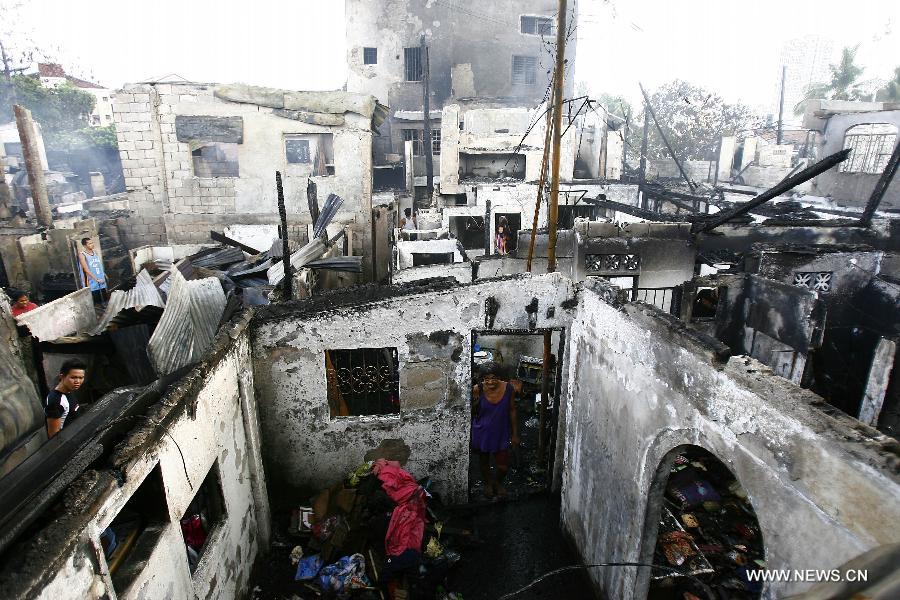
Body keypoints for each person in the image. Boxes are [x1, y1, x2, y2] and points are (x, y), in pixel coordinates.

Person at [471, 361, 520, 499]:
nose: (491, 382)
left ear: (499, 377)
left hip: (501, 432)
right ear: (482, 379)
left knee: (503, 466)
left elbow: (512, 410)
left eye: (494, 378)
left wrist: (515, 434)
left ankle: (497, 482)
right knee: (484, 462)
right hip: (482, 432)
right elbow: (471, 410)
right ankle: (488, 483)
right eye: (486, 379)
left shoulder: (509, 389)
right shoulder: (477, 389)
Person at [45, 359, 86, 438]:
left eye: (81, 378)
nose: (78, 381)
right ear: (62, 377)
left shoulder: (69, 390)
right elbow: (54, 438)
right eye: (74, 377)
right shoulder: (56, 400)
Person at [77, 237, 107, 304]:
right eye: (90, 243)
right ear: (85, 245)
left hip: (100, 278)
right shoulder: (82, 255)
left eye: (92, 243)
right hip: (92, 281)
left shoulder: (95, 252)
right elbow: (86, 269)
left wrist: (104, 274)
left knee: (104, 299)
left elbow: (99, 265)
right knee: (96, 301)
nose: (92, 244)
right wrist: (96, 279)